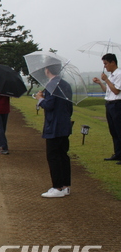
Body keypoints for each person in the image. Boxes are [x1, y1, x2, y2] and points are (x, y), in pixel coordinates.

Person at [34, 63, 73, 198]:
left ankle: (57, 187)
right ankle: (66, 186)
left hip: (54, 126)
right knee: (63, 156)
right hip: (64, 124)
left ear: (48, 70)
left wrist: (40, 99)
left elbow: (49, 105)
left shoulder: (52, 85)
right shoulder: (65, 84)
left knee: (53, 156)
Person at [92, 53, 121, 164]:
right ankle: (118, 154)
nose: (105, 66)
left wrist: (106, 80)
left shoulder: (119, 74)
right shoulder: (112, 75)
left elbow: (116, 91)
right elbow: (107, 91)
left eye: (106, 64)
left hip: (117, 105)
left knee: (119, 130)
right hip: (109, 104)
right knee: (113, 131)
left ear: (113, 62)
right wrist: (101, 83)